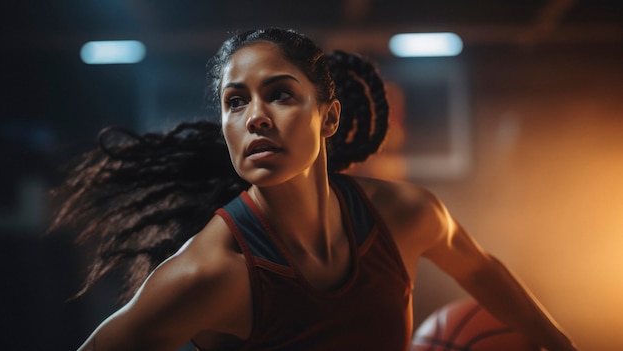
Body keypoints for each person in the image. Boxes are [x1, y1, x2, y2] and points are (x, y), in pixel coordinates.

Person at [51, 27, 578, 351]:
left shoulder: (407, 216)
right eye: (235, 102)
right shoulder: (208, 274)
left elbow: (483, 271)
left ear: (328, 119)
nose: (255, 117)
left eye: (279, 94)